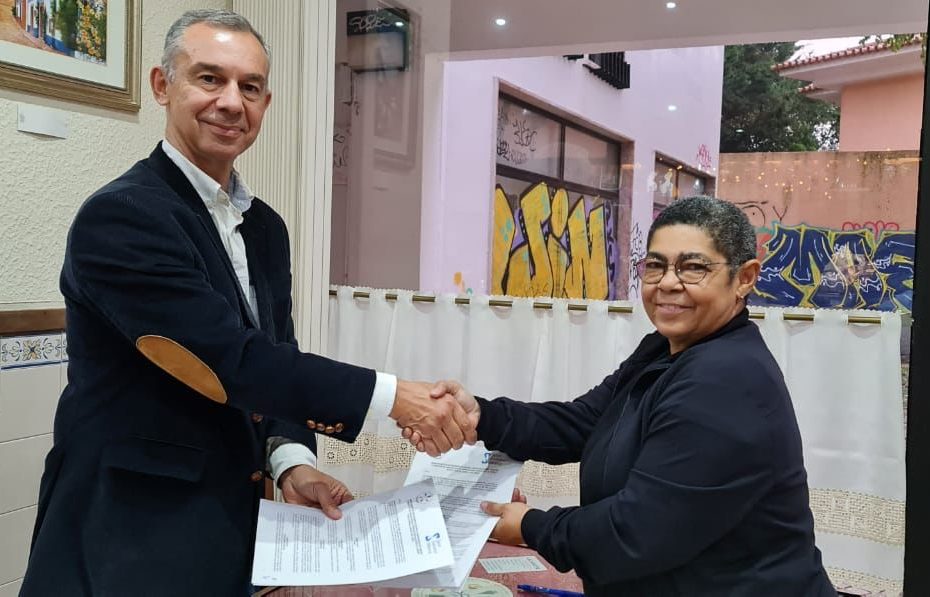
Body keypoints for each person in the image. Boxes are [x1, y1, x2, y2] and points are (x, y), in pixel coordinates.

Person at [20, 9, 474, 596]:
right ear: (162, 86)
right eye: (210, 78)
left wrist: (291, 462)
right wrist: (396, 398)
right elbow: (229, 361)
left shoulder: (265, 227)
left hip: (227, 531)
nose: (232, 102)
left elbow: (275, 352)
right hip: (127, 537)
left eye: (250, 87)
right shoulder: (123, 217)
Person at [414, 196, 837, 596]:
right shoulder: (663, 349)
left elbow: (635, 533)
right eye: (655, 266)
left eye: (693, 268)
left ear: (744, 278)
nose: (668, 283)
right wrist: (481, 416)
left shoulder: (726, 379)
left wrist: (530, 526)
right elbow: (582, 422)